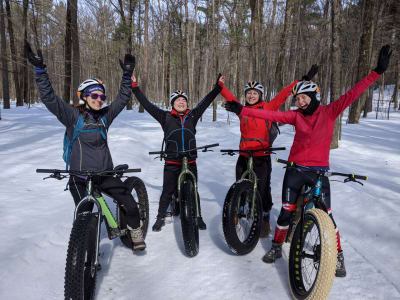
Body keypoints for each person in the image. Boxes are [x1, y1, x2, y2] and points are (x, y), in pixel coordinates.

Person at [225, 45, 392, 277]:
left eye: (304, 98)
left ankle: (338, 256)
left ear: (314, 96)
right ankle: (276, 247)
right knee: (286, 211)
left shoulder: (330, 111)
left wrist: (377, 71)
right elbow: (269, 114)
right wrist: (243, 110)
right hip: (294, 170)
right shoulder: (295, 116)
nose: (300, 102)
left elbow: (354, 93)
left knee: (328, 214)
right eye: (298, 98)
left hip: (318, 172)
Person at [25, 41, 146, 251]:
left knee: (130, 204)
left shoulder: (105, 116)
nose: (99, 99)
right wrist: (40, 70)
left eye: (101, 96)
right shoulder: (72, 116)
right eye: (94, 95)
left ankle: (135, 231)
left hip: (104, 174)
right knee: (86, 219)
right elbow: (49, 98)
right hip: (80, 178)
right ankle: (86, 258)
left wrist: (127, 76)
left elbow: (122, 98)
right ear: (83, 97)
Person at [218, 66, 318, 237]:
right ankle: (240, 209)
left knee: (263, 188)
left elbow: (285, 93)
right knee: (239, 183)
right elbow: (229, 97)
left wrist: (301, 81)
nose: (251, 95)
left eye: (255, 93)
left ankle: (264, 216)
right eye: (248, 93)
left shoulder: (269, 107)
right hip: (244, 154)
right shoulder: (242, 111)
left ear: (260, 95)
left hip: (262, 156)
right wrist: (220, 85)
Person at [131, 73, 224, 232]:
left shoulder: (193, 115)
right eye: (177, 100)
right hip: (172, 162)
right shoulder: (165, 117)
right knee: (167, 190)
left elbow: (206, 100)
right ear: (172, 104)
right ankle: (160, 217)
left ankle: (198, 216)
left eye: (184, 100)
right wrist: (135, 87)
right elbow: (146, 104)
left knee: (194, 189)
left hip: (190, 161)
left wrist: (218, 87)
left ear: (187, 104)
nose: (181, 102)